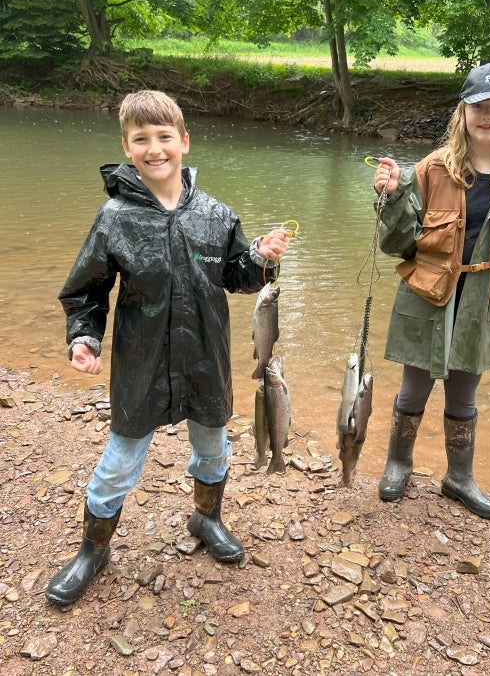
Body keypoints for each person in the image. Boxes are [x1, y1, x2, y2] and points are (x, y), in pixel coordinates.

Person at [45, 90, 291, 606]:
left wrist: (261, 258)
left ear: (183, 141)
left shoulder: (217, 215)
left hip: (207, 359)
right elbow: (85, 292)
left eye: (163, 138)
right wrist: (85, 337)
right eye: (141, 140)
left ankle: (206, 517)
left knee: (212, 446)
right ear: (127, 147)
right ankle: (94, 548)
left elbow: (237, 277)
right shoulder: (113, 217)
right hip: (141, 362)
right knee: (119, 461)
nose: (154, 149)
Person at [372, 63, 490, 519]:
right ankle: (399, 463)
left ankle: (459, 477)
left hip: (484, 300)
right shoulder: (431, 168)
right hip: (426, 292)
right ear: (463, 112)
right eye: (478, 106)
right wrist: (392, 196)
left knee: (464, 394)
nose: (487, 116)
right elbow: (396, 244)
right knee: (414, 387)